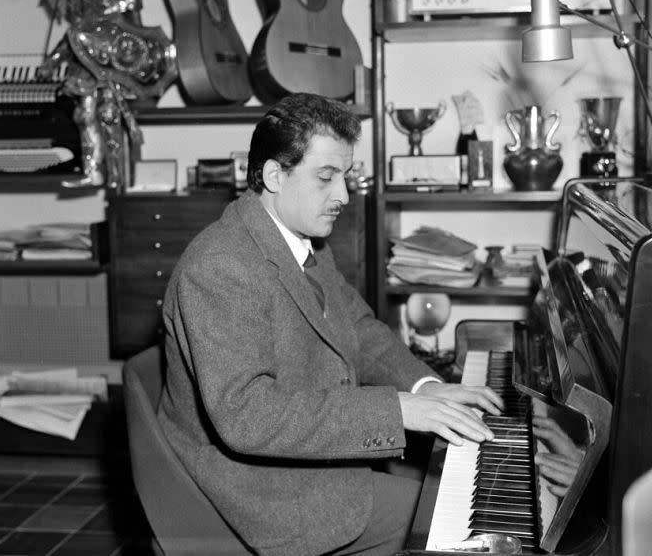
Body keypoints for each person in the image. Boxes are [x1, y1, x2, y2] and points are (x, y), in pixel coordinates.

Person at [157, 93, 505, 556]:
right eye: (326, 177)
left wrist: (424, 388)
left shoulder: (304, 238)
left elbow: (358, 325)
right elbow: (247, 415)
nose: (342, 195)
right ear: (274, 176)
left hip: (305, 451)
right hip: (259, 487)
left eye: (346, 176)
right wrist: (398, 410)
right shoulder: (220, 266)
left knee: (463, 487)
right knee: (463, 524)